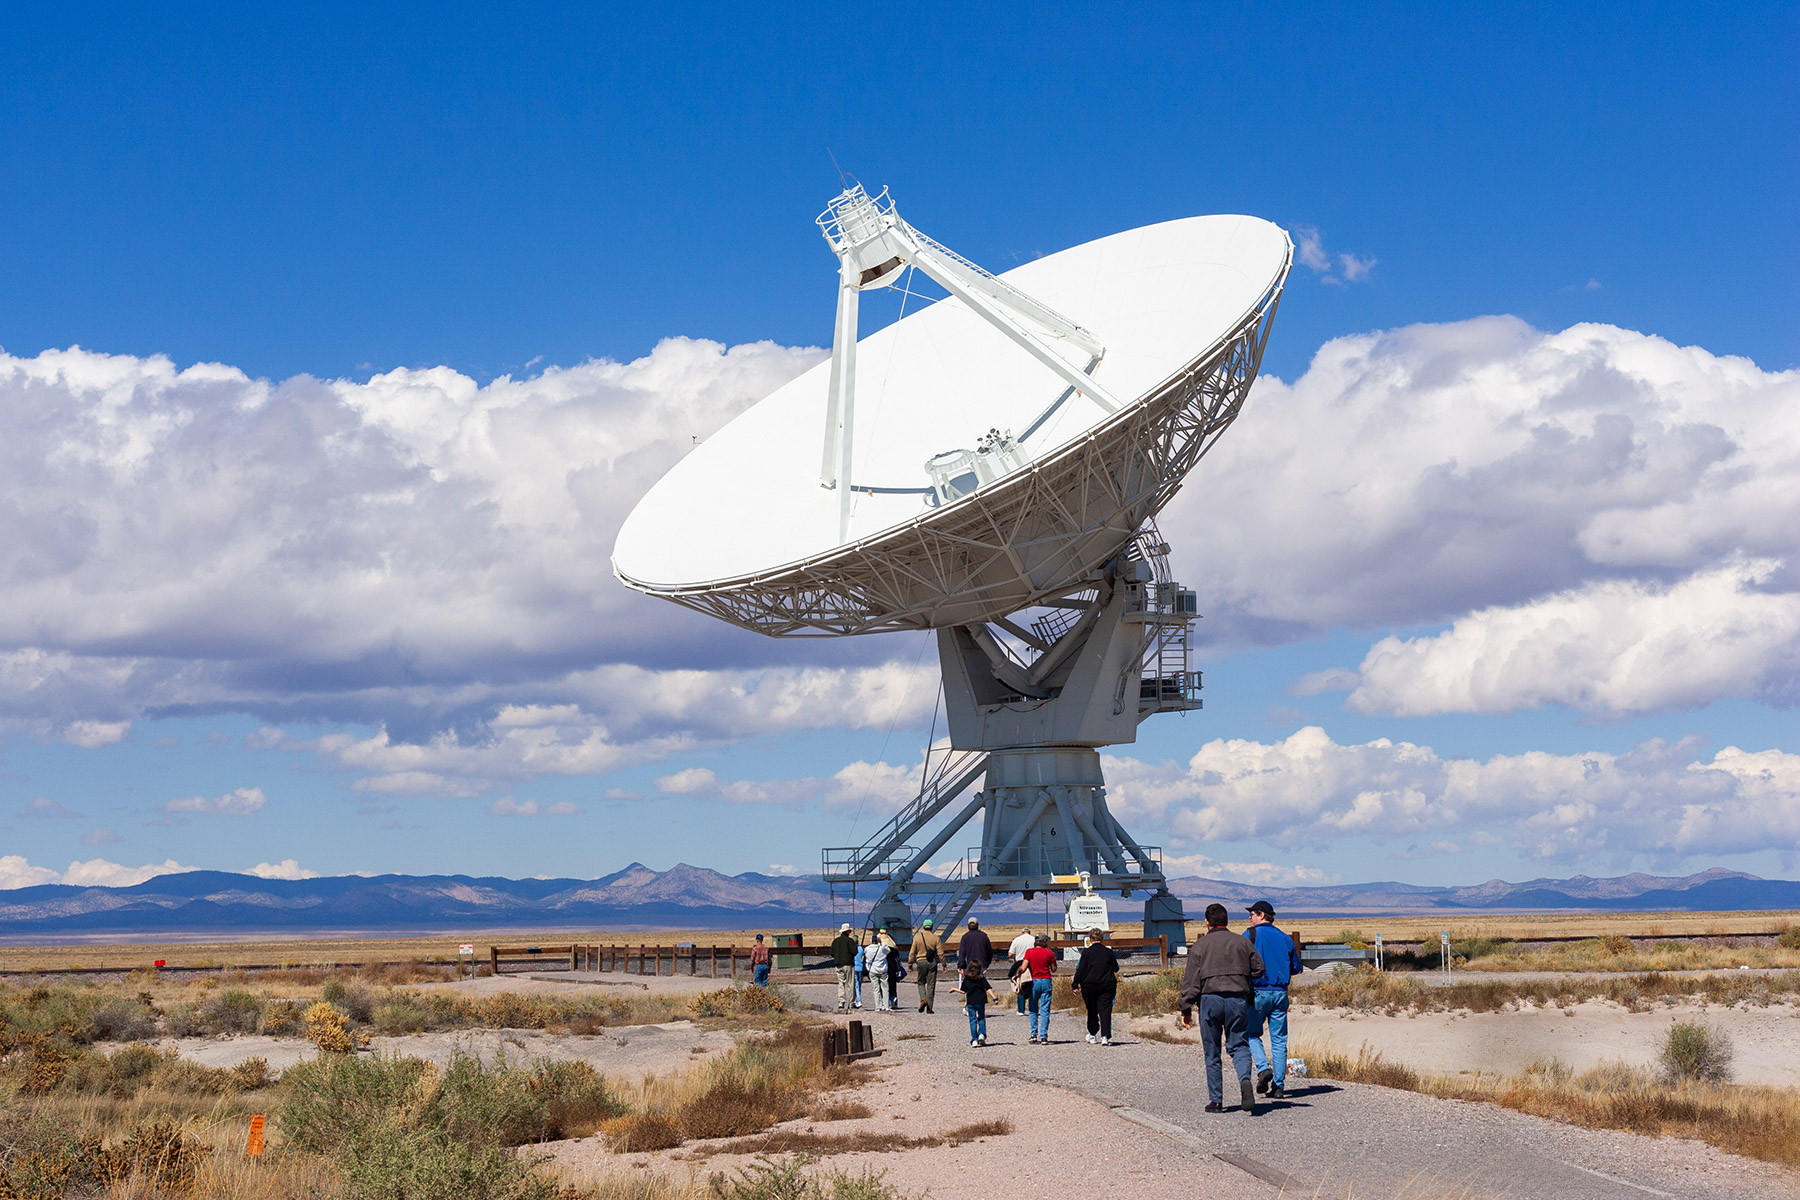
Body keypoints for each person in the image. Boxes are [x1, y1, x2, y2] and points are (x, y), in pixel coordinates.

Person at [1180, 903, 1266, 1113]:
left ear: (1207, 922)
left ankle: (1216, 1100)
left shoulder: (1200, 946)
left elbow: (1191, 981)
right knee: (1239, 1045)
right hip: (1237, 999)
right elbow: (1259, 969)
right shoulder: (1242, 942)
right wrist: (1242, 977)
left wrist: (1186, 1008)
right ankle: (1244, 1078)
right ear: (1226, 921)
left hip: (1210, 1000)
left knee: (1212, 1051)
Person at [1243, 900, 1303, 1098]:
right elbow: (1296, 967)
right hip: (1280, 993)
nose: (1249, 917)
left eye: (1251, 914)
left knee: (1251, 1034)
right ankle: (1278, 1086)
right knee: (1278, 1040)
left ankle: (1262, 1068)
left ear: (1261, 915)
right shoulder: (1285, 938)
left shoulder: (1249, 936)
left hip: (1258, 992)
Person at [1072, 930, 1120, 1045]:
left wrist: (1075, 984)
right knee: (1105, 1010)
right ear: (1102, 938)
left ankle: (1092, 1035)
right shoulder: (1108, 952)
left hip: (1089, 985)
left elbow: (1081, 970)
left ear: (1090, 939)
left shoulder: (1086, 953)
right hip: (1107, 984)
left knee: (1092, 1010)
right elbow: (1116, 968)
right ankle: (1105, 1036)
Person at [1022, 933, 1057, 1044]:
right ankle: (1043, 1036)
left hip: (1034, 981)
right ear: (1044, 941)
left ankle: (1033, 1034)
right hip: (1046, 980)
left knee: (1033, 1009)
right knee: (1045, 1010)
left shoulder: (1029, 952)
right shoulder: (1049, 953)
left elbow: (1023, 967)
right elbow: (1054, 969)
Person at [955, 959, 994, 1046]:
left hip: (971, 1002)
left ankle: (974, 1040)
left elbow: (963, 991)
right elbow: (988, 988)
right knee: (981, 1018)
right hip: (980, 1001)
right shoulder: (981, 978)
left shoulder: (967, 979)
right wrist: (994, 997)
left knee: (972, 1020)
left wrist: (954, 989)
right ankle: (981, 1034)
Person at [909, 918, 943, 1012]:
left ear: (923, 927)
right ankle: (929, 1007)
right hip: (932, 962)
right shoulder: (936, 938)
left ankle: (923, 999)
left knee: (921, 982)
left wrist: (910, 963)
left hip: (921, 961)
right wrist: (944, 964)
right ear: (932, 927)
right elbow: (940, 953)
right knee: (931, 985)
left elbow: (912, 952)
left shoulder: (917, 937)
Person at [1007, 927, 1036, 1015]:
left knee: (1019, 986)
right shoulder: (1034, 939)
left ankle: (1021, 1010)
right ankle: (1033, 1008)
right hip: (1032, 964)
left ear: (1022, 932)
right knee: (1031, 985)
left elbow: (1010, 953)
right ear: (1029, 932)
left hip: (1020, 964)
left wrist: (1018, 954)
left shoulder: (1017, 940)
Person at [830, 923, 857, 1011]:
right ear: (848, 932)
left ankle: (841, 1001)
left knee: (841, 984)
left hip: (838, 965)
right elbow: (854, 951)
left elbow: (832, 953)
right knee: (850, 984)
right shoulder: (849, 941)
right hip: (848, 964)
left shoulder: (835, 941)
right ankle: (851, 1002)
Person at [865, 930, 892, 1011]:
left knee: (876, 989)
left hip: (873, 970)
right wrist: (882, 942)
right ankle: (886, 1006)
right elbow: (888, 950)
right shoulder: (882, 948)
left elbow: (867, 959)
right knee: (885, 988)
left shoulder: (867, 949)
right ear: (877, 941)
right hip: (883, 970)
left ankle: (878, 1006)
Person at [879, 928, 901, 1009]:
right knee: (892, 985)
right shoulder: (893, 948)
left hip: (882, 967)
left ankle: (884, 1002)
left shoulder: (880, 948)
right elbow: (898, 958)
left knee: (883, 985)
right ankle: (893, 1001)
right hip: (892, 968)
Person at [852, 934, 866, 1009]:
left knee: (856, 985)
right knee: (859, 985)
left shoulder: (851, 949)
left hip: (854, 968)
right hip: (860, 968)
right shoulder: (861, 949)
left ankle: (858, 1000)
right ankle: (857, 999)